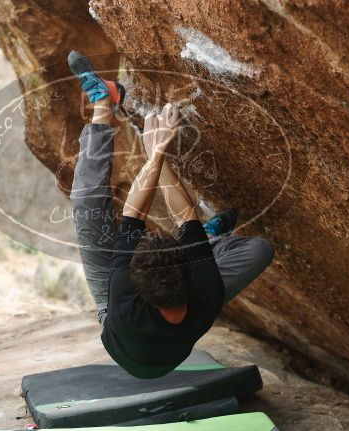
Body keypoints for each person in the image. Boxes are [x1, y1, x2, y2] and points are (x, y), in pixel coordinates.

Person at [68, 51, 274, 379]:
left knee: (86, 203)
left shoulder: (121, 298)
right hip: (161, 321)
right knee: (259, 250)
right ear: (190, 277)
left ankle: (103, 103)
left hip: (116, 319)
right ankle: (205, 239)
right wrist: (157, 154)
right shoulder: (206, 292)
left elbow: (136, 213)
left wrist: (156, 152)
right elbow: (184, 214)